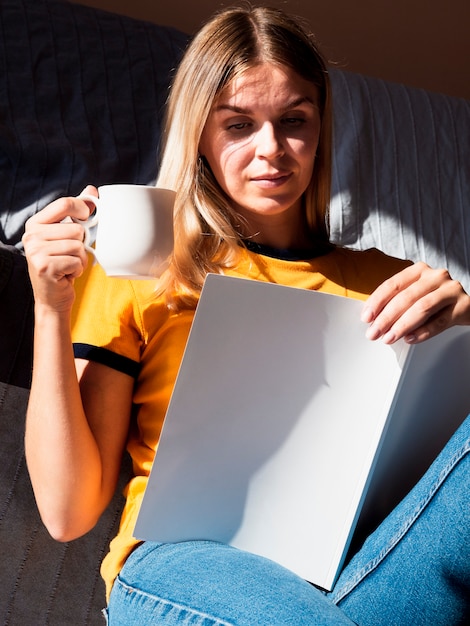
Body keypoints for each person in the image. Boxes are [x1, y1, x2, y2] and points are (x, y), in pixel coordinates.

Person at [22, 5, 469, 625]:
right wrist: (50, 308)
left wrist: (467, 327)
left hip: (358, 572)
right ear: (201, 132)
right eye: (239, 125)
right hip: (188, 562)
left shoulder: (392, 283)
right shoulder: (148, 267)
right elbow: (67, 512)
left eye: (294, 121)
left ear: (321, 127)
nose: (272, 151)